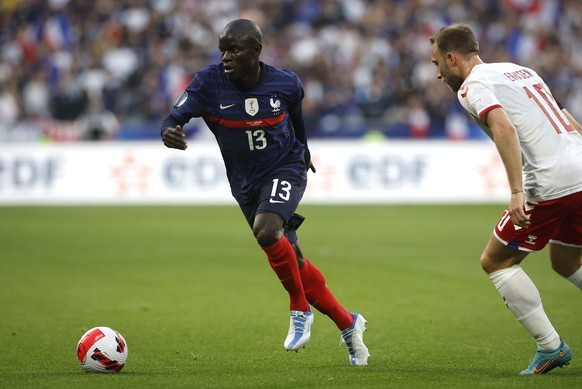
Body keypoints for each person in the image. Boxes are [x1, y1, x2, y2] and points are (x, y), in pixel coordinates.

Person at [160, 19, 370, 366]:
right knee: (296, 262)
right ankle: (349, 324)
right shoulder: (208, 83)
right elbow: (172, 118)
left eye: (235, 49)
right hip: (245, 183)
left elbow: (298, 123)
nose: (226, 56)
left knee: (266, 230)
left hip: (285, 167)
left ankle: (299, 310)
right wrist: (170, 131)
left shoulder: (285, 83)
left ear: (256, 51)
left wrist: (304, 153)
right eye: (222, 49)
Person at [430, 23, 582, 375]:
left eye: (436, 63)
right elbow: (565, 117)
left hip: (549, 182)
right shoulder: (518, 70)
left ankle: (550, 346)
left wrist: (517, 191)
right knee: (565, 260)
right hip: (578, 169)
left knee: (495, 261)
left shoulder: (472, 86)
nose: (437, 73)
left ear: (452, 58)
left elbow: (504, 127)